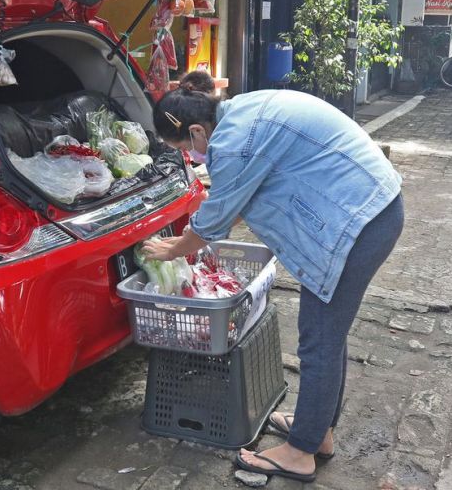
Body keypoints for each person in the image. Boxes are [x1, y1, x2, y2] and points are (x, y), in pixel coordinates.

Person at [143, 88, 404, 483]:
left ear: (198, 131)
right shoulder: (242, 110)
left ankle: (300, 453)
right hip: (371, 206)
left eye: (184, 147)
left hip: (360, 221)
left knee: (319, 339)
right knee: (327, 335)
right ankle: (318, 434)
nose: (192, 157)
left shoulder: (232, 141)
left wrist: (174, 249)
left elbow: (213, 222)